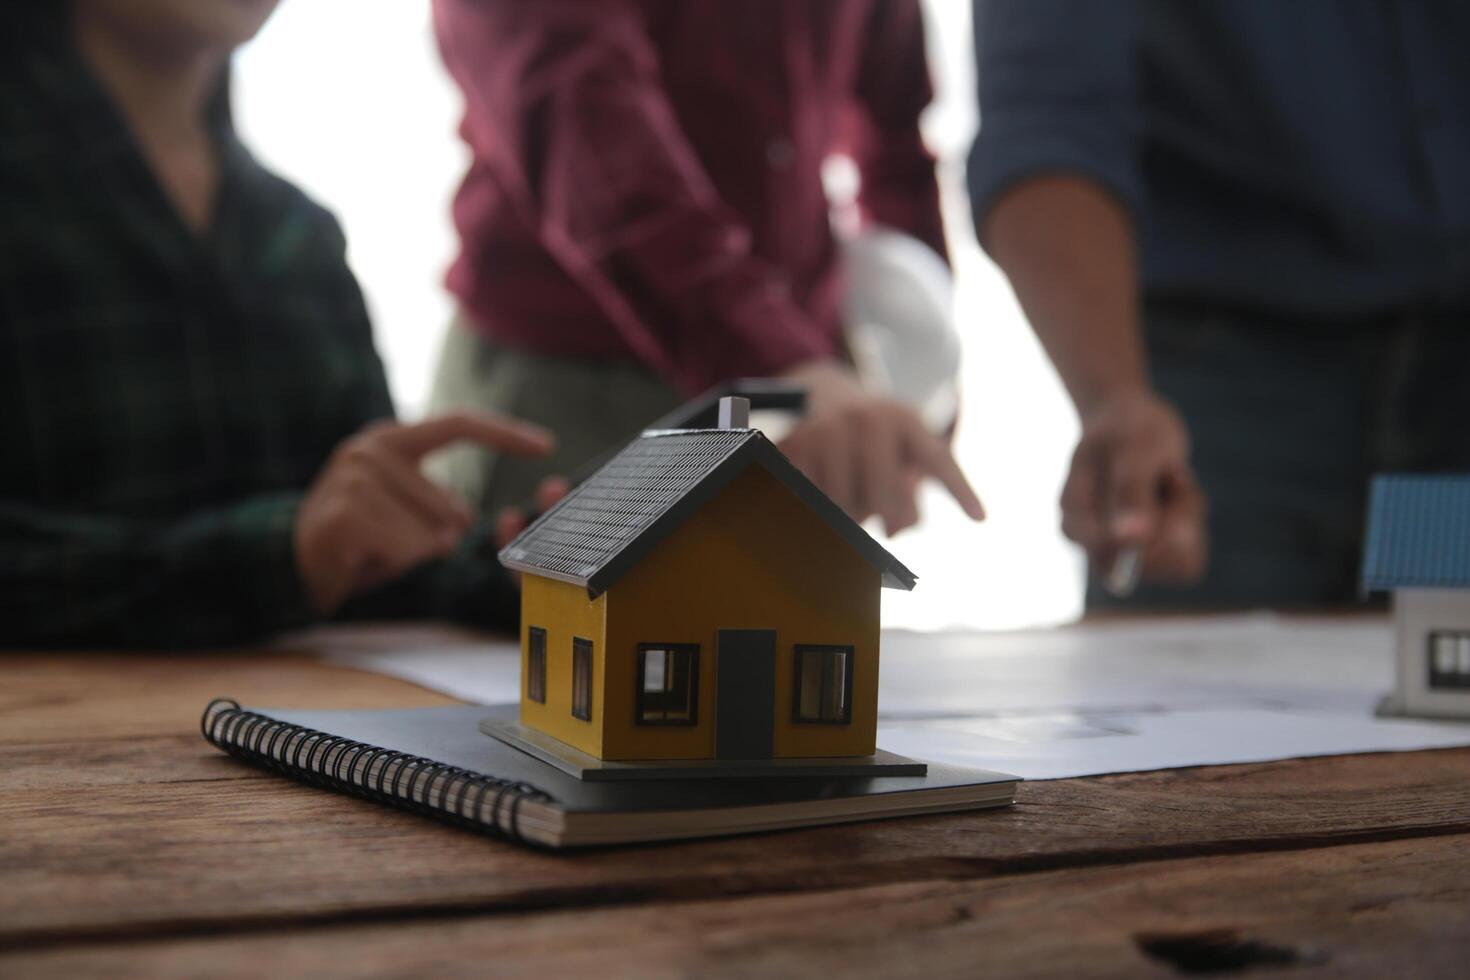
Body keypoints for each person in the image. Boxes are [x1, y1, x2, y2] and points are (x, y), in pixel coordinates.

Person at [1, 0, 560, 648]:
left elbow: (363, 546)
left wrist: (509, 571)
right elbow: (306, 546)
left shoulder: (296, 233)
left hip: (283, 729)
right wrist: (279, 556)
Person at [971, 0, 1470, 608]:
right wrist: (1116, 396)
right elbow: (1045, 112)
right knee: (1169, 681)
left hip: (1454, 364)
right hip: (1217, 379)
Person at [428, 0, 985, 537]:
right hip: (569, 387)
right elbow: (586, 122)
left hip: (793, 392)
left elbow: (897, 149)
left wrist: (917, 378)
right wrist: (785, 365)